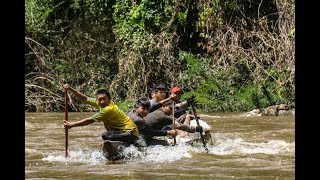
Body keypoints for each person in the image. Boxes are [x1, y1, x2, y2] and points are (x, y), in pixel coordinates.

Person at [63, 84, 139, 146]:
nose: (102, 102)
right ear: (97, 100)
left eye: (104, 99)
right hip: (123, 132)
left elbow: (89, 121)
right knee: (107, 136)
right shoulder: (100, 103)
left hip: (130, 133)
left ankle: (120, 147)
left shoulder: (108, 109)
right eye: (99, 99)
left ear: (109, 99)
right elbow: (85, 99)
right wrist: (71, 89)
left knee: (106, 135)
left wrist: (71, 125)